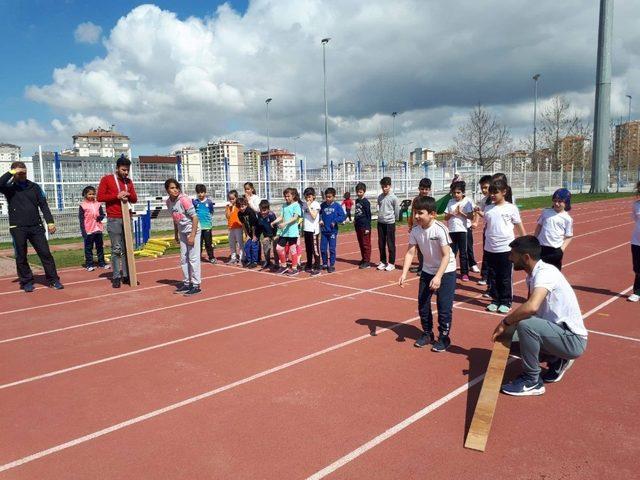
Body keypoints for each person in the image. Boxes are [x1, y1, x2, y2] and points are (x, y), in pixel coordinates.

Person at [492, 235, 588, 396]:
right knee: (506, 339)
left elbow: (531, 307)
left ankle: (532, 381)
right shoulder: (533, 275)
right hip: (557, 332)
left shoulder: (545, 273)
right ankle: (556, 358)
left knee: (525, 325)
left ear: (526, 257)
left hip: (572, 340)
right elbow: (532, 311)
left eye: (512, 254)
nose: (509, 258)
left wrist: (505, 322)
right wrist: (507, 330)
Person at [399, 196, 457, 352]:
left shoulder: (440, 229)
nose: (416, 216)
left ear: (432, 214)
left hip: (446, 270)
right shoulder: (416, 231)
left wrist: (438, 276)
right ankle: (427, 333)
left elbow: (446, 255)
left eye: (420, 213)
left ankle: (444, 338)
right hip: (427, 270)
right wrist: (404, 274)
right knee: (423, 304)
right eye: (415, 213)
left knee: (444, 307)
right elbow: (410, 253)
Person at [0, 161, 63, 292]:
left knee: (45, 253)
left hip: (36, 226)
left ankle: (53, 280)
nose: (22, 174)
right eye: (19, 172)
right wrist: (12, 172)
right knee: (21, 256)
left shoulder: (34, 187)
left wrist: (50, 222)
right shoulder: (9, 188)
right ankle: (26, 281)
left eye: (24, 171)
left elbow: (44, 205)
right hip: (18, 227)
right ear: (14, 173)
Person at [484, 179, 526, 313]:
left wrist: (524, 241)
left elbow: (519, 226)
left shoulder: (511, 208)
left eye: (495, 192)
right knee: (493, 276)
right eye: (491, 192)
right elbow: (489, 226)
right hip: (490, 248)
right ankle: (495, 300)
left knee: (505, 276)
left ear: (504, 192)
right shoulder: (488, 208)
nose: (492, 195)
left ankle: (506, 301)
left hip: (505, 249)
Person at [97, 156, 138, 289]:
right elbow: (100, 197)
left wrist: (128, 194)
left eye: (127, 170)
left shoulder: (129, 182)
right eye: (123, 170)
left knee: (128, 248)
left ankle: (127, 275)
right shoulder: (107, 179)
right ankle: (116, 276)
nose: (126, 172)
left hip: (127, 217)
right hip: (114, 218)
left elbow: (134, 199)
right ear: (117, 168)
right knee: (116, 249)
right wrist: (116, 196)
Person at [166, 179, 201, 296]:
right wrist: (176, 234)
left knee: (193, 258)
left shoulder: (184, 200)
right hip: (182, 231)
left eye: (176, 187)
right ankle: (187, 283)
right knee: (183, 258)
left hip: (193, 230)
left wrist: (192, 235)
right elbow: (175, 219)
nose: (175, 190)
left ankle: (196, 285)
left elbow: (195, 218)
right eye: (172, 188)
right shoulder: (168, 202)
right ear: (167, 190)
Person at [534, 188, 573, 271]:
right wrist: (535, 239)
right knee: (540, 271)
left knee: (554, 274)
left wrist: (562, 249)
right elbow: (539, 226)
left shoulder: (567, 218)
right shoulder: (546, 212)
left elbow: (569, 236)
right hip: (542, 248)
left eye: (560, 201)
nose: (557, 203)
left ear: (566, 202)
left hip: (555, 250)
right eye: (555, 201)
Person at [444, 180, 474, 281]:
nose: (456, 195)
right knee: (451, 252)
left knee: (463, 252)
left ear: (462, 192)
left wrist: (461, 213)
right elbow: (445, 218)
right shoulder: (450, 202)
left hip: (462, 230)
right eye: (454, 193)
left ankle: (464, 273)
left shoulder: (466, 202)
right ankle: (449, 270)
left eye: (458, 192)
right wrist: (452, 213)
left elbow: (471, 216)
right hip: (452, 230)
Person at [271, 188, 302, 276]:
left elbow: (295, 218)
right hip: (284, 232)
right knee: (279, 248)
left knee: (293, 250)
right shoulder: (284, 205)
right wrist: (274, 222)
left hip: (292, 232)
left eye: (288, 196)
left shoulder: (296, 205)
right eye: (285, 196)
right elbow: (281, 216)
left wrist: (285, 223)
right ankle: (284, 266)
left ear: (293, 196)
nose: (286, 198)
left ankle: (294, 268)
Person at [78, 185, 107, 271]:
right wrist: (83, 231)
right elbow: (81, 219)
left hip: (98, 229)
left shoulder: (98, 204)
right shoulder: (83, 206)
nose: (92, 196)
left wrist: (100, 217)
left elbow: (102, 214)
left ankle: (102, 263)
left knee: (100, 247)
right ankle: (89, 264)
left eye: (93, 194)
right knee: (88, 248)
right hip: (88, 230)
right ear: (85, 195)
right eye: (90, 194)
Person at [408, 178, 432, 275]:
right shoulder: (416, 200)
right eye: (422, 189)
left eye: (426, 189)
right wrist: (411, 225)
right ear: (419, 189)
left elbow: (432, 215)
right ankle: (421, 266)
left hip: (426, 227)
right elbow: (412, 213)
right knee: (418, 248)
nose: (424, 191)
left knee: (425, 248)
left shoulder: (430, 201)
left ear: (429, 190)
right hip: (416, 226)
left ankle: (425, 268)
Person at [319, 187, 346, 273]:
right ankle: (325, 263)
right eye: (326, 197)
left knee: (332, 248)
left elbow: (342, 216)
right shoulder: (322, 205)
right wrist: (320, 219)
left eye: (330, 197)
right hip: (324, 231)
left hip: (332, 231)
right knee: (323, 248)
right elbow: (318, 214)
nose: (328, 198)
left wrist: (335, 221)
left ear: (334, 197)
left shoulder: (337, 206)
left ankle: (332, 264)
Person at [377, 176, 400, 271]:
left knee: (390, 243)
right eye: (382, 187)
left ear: (390, 186)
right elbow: (379, 206)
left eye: (386, 186)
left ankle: (391, 263)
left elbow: (396, 210)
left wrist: (395, 219)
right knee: (381, 243)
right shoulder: (380, 197)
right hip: (380, 222)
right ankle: (383, 261)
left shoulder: (393, 198)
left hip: (390, 223)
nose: (384, 188)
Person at [474, 175, 493, 287]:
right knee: (486, 254)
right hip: (487, 231)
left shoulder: (497, 200)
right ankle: (485, 276)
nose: (484, 190)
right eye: (482, 188)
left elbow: (486, 215)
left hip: (497, 232)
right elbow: (479, 211)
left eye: (486, 187)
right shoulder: (484, 200)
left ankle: (491, 279)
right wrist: (476, 221)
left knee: (494, 256)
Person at [193, 184, 216, 264]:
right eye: (198, 192)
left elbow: (211, 211)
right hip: (198, 227)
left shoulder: (209, 202)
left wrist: (208, 220)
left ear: (205, 193)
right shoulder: (195, 202)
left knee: (208, 243)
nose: (200, 194)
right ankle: (197, 257)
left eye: (202, 192)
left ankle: (211, 257)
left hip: (207, 227)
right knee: (198, 244)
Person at [302, 187, 322, 275]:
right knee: (308, 249)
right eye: (306, 197)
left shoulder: (316, 204)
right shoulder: (304, 205)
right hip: (306, 229)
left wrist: (309, 206)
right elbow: (304, 217)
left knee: (315, 249)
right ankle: (309, 264)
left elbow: (314, 216)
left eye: (309, 197)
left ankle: (317, 266)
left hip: (313, 230)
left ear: (313, 196)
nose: (308, 199)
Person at [256, 199, 278, 271]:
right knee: (266, 247)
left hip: (274, 234)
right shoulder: (259, 215)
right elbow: (259, 226)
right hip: (266, 235)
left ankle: (277, 263)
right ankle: (267, 261)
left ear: (268, 209)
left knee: (275, 249)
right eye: (261, 210)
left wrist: (275, 236)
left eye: (264, 210)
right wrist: (257, 235)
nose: (263, 212)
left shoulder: (271, 215)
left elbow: (276, 226)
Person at [237, 197, 259, 268]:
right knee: (247, 246)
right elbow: (243, 224)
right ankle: (249, 260)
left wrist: (254, 235)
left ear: (246, 205)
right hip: (249, 232)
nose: (241, 208)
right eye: (239, 207)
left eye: (243, 206)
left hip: (255, 230)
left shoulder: (250, 211)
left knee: (254, 246)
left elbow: (253, 225)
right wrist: (247, 235)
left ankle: (255, 261)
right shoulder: (239, 214)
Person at [354, 182, 372, 269]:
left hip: (365, 226)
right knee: (360, 243)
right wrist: (355, 220)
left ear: (364, 192)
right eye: (357, 192)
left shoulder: (366, 202)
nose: (358, 193)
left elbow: (369, 215)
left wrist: (368, 227)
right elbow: (356, 212)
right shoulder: (357, 201)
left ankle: (367, 261)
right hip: (358, 225)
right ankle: (363, 258)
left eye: (360, 192)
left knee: (366, 244)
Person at [225, 190, 243, 264]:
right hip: (231, 227)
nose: (232, 200)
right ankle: (233, 258)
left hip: (238, 226)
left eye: (233, 198)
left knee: (240, 243)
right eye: (230, 199)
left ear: (236, 198)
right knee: (232, 243)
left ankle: (242, 258)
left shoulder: (239, 206)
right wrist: (229, 209)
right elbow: (227, 216)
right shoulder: (228, 207)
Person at [629, 181, 640, 302]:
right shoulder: (636, 205)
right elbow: (636, 220)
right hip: (636, 242)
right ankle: (637, 292)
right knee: (637, 268)